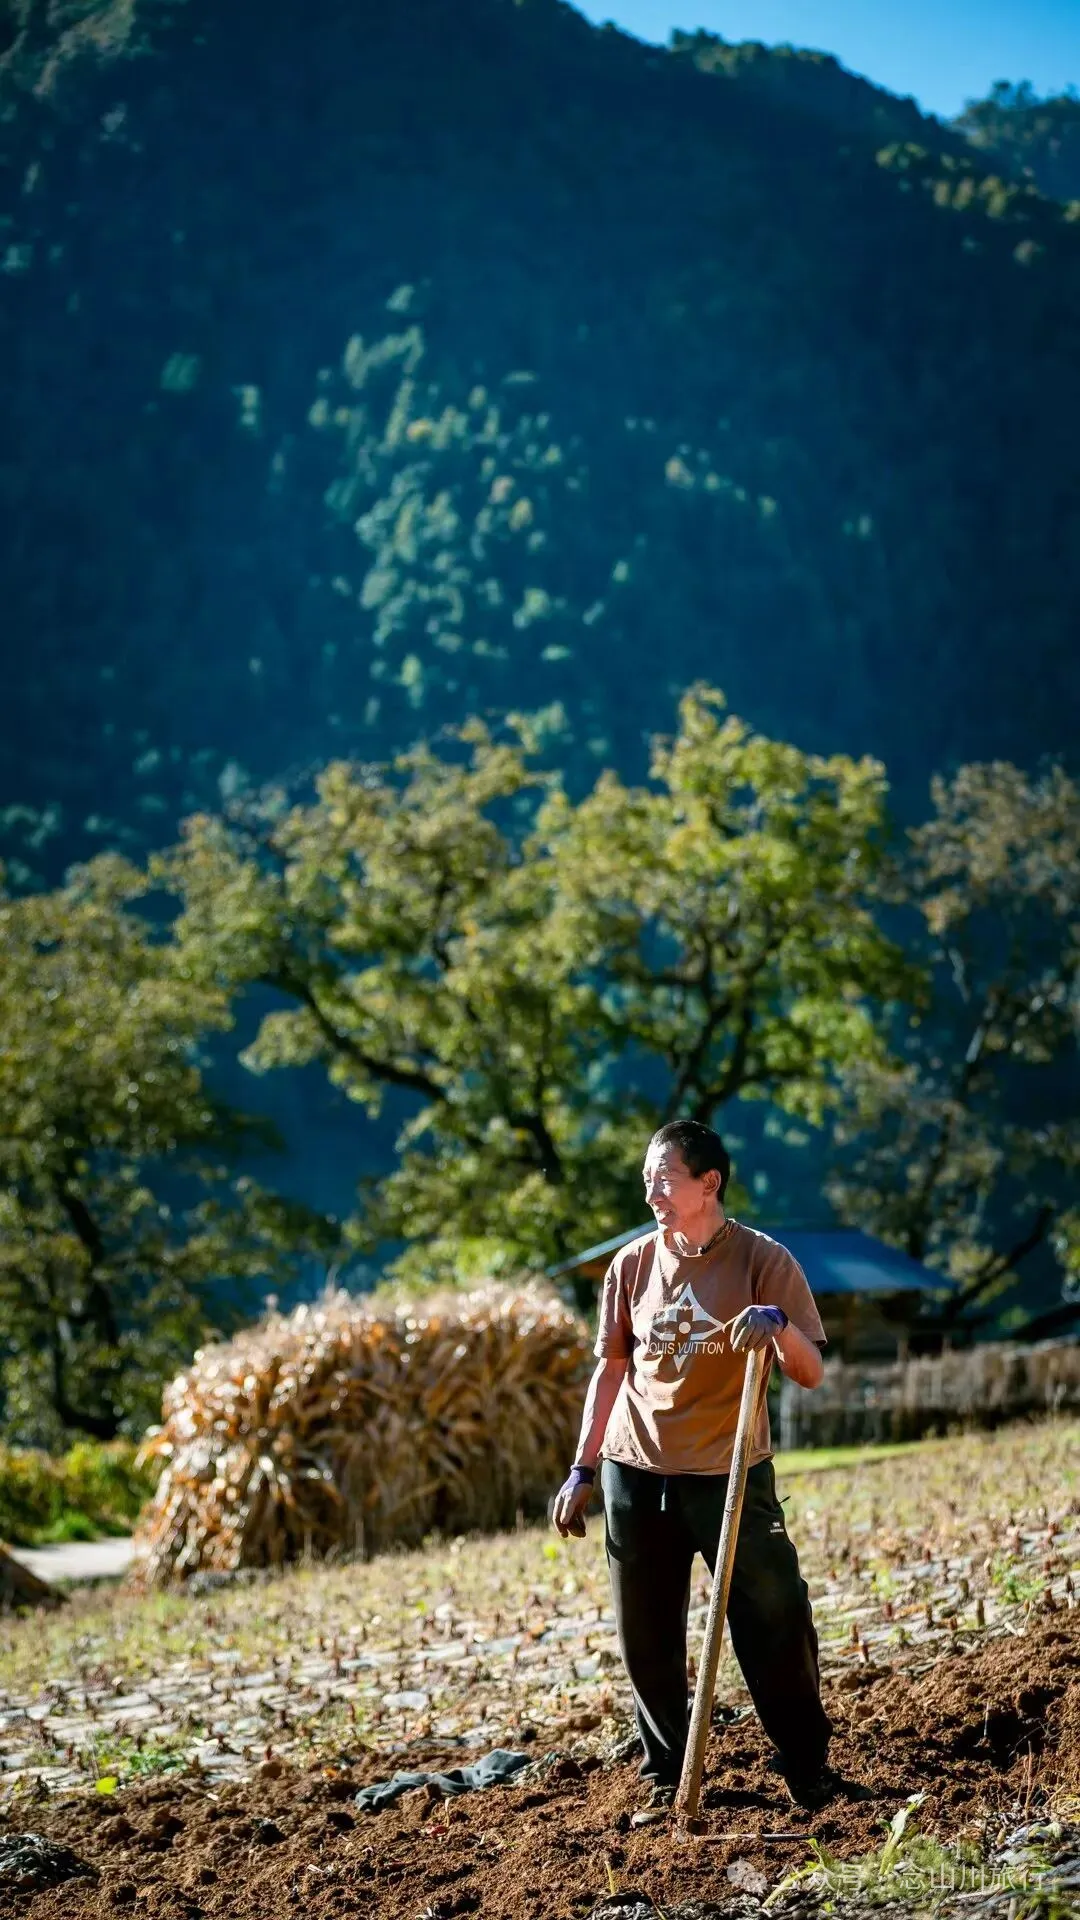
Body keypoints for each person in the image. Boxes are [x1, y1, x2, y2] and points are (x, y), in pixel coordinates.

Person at [551, 1119, 838, 1822]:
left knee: (774, 1615)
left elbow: (810, 1372)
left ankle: (807, 1768)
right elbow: (610, 1372)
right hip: (634, 1473)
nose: (652, 1192)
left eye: (664, 1178)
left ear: (709, 1183)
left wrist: (778, 1325)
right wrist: (583, 1468)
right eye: (647, 1179)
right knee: (646, 1635)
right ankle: (664, 1777)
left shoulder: (763, 1260)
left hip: (729, 1471)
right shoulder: (630, 1266)